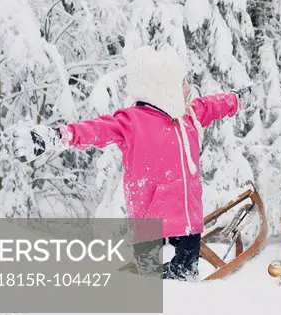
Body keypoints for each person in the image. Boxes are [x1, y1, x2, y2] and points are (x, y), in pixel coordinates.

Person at [29, 46, 243, 281]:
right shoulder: (133, 121)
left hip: (188, 226)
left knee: (185, 284)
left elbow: (211, 105)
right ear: (163, 88)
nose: (188, 89)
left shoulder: (188, 116)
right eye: (181, 83)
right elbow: (96, 129)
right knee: (153, 288)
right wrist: (58, 136)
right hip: (151, 230)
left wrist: (236, 99)